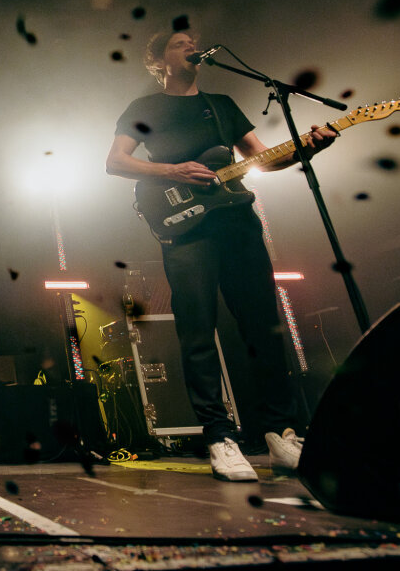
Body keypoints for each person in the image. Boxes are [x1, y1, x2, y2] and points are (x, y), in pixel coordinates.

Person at [105, 29, 336, 481]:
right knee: (197, 330)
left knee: (264, 328)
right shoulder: (144, 108)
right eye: (179, 43)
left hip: (238, 222)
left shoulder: (223, 104)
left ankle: (280, 433)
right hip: (186, 227)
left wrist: (306, 147)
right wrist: (171, 169)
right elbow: (115, 162)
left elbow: (262, 160)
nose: (191, 46)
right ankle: (218, 436)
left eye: (194, 41)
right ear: (159, 61)